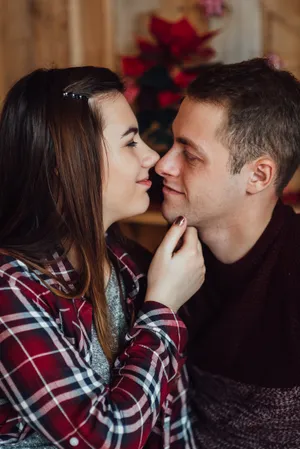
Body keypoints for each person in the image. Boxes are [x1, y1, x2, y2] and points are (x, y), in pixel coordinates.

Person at [0, 66, 205, 448]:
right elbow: (103, 438)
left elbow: (171, 419)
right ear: (64, 163)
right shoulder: (11, 288)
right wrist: (161, 309)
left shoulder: (131, 264)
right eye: (130, 143)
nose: (152, 157)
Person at [155, 58, 300, 448]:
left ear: (258, 176)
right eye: (172, 143)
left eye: (190, 153)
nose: (163, 164)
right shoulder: (170, 261)